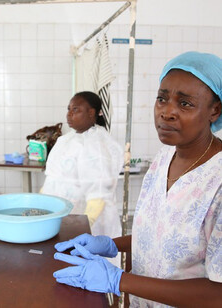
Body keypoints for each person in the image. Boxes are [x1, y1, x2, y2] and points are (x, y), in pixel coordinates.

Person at [52, 51, 222, 307]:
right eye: (162, 99)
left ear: (215, 110)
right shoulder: (164, 158)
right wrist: (111, 244)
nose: (167, 112)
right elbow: (159, 236)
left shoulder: (217, 183)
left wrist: (119, 281)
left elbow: (217, 294)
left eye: (185, 103)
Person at [41, 91, 123, 241]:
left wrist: (84, 227)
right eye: (68, 109)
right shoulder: (66, 140)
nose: (69, 114)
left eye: (75, 109)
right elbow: (52, 179)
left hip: (86, 226)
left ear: (91, 113)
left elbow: (99, 193)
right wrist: (42, 206)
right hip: (60, 219)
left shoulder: (97, 145)